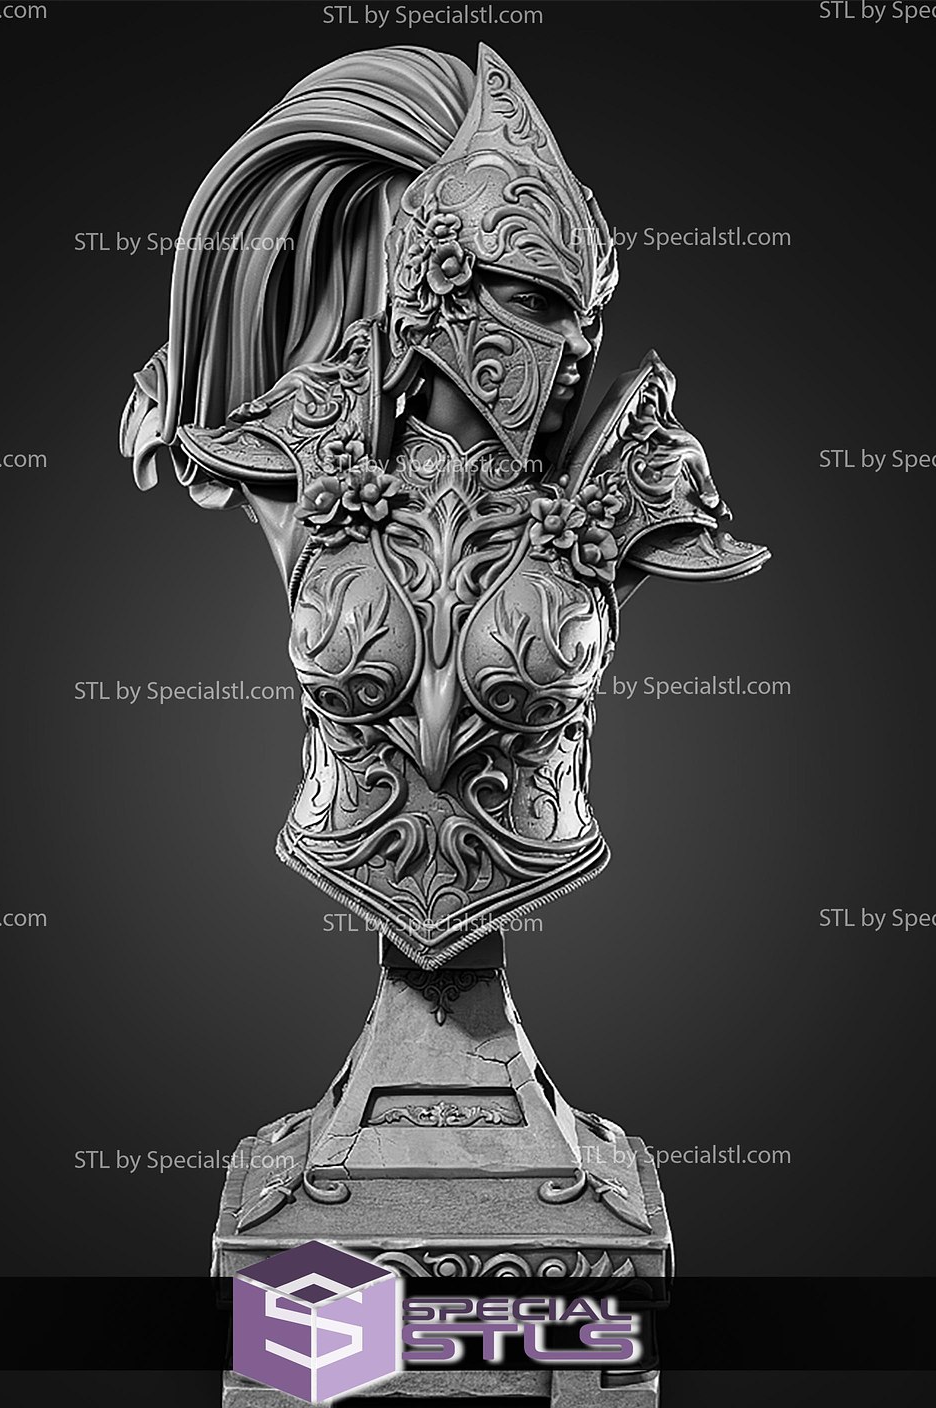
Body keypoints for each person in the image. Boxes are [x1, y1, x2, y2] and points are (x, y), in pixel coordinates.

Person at [120, 44, 768, 968]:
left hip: (530, 864)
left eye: (588, 315)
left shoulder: (625, 486)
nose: (575, 348)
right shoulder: (305, 452)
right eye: (537, 301)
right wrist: (180, 389)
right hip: (345, 849)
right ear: (439, 280)